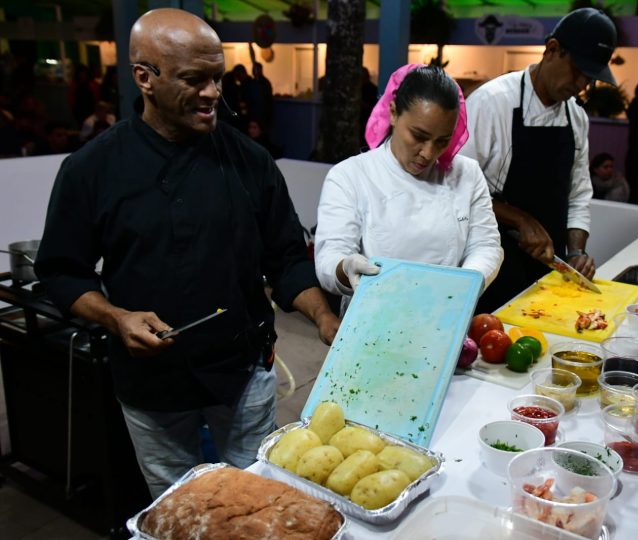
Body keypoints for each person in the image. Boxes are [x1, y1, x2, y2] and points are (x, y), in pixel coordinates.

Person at [34, 8, 339, 499]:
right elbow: (62, 272)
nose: (213, 93)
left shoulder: (250, 161)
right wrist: (115, 317)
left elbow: (286, 259)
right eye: (194, 79)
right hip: (151, 388)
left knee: (254, 498)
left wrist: (324, 318)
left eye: (217, 77)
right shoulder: (92, 169)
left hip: (242, 376)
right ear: (144, 78)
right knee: (179, 506)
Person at [460, 8, 616, 313]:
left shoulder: (577, 118)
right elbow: (459, 188)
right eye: (578, 70)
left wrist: (576, 252)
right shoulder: (492, 102)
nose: (582, 83)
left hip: (549, 269)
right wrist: (521, 220)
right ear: (553, 49)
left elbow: (579, 194)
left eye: (590, 77)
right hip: (493, 262)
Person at [314, 64, 503, 309]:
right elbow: (330, 257)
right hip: (371, 317)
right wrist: (345, 267)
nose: (428, 153)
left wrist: (464, 285)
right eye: (419, 136)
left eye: (442, 141)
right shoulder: (350, 176)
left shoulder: (467, 174)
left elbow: (485, 245)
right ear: (393, 113)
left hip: (444, 313)